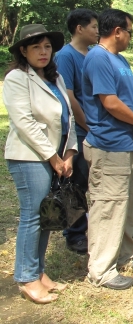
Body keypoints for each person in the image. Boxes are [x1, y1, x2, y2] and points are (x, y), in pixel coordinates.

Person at [4, 24, 76, 303]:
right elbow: (25, 123)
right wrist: (53, 157)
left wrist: (69, 153)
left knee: (47, 216)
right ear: (23, 51)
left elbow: (67, 117)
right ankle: (26, 277)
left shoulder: (54, 78)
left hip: (55, 156)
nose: (43, 52)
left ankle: (39, 272)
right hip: (29, 157)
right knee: (33, 216)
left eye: (47, 46)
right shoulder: (17, 78)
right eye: (36, 47)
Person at [82, 9, 133, 290]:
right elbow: (110, 102)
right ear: (118, 31)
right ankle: (101, 271)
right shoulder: (98, 58)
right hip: (109, 146)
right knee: (108, 206)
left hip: (128, 144)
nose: (131, 37)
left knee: (126, 204)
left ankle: (124, 255)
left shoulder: (120, 59)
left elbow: (132, 98)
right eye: (130, 32)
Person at [55, 8, 99, 255]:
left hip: (95, 128)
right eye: (93, 26)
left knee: (91, 181)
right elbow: (69, 97)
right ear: (79, 28)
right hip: (80, 129)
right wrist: (86, 126)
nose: (97, 31)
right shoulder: (66, 56)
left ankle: (90, 226)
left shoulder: (93, 54)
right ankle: (74, 233)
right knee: (76, 183)